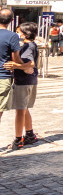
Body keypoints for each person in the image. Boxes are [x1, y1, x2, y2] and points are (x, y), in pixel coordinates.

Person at [7, 22, 40, 148]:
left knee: (20, 110)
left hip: (24, 81)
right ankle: (30, 134)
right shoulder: (30, 45)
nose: (17, 34)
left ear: (25, 34)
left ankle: (18, 139)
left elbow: (29, 63)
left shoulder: (28, 46)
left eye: (18, 31)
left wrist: (15, 65)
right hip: (29, 80)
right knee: (24, 109)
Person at [0, 9, 26, 150]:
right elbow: (16, 58)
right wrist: (25, 64)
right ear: (11, 21)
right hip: (2, 76)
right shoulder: (12, 36)